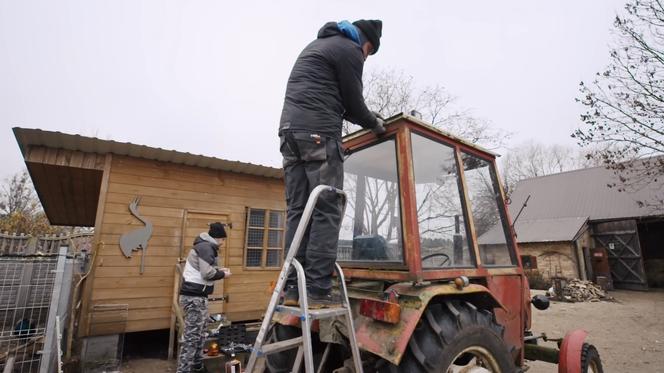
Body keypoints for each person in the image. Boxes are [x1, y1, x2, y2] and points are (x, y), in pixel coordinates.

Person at [278, 19, 386, 308]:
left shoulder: (318, 46)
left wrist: (365, 115)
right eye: (369, 52)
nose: (365, 57)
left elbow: (341, 103)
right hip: (319, 137)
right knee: (327, 208)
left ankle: (291, 288)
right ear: (367, 44)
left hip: (290, 135)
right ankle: (316, 290)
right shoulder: (349, 50)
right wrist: (374, 122)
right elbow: (353, 103)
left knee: (298, 211)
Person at [176, 222, 231, 373]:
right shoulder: (206, 247)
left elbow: (205, 269)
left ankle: (197, 367)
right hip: (194, 298)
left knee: (200, 335)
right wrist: (223, 274)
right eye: (223, 239)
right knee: (192, 338)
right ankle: (184, 370)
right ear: (218, 238)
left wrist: (219, 269)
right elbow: (207, 273)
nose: (223, 243)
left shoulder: (204, 246)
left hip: (197, 297)